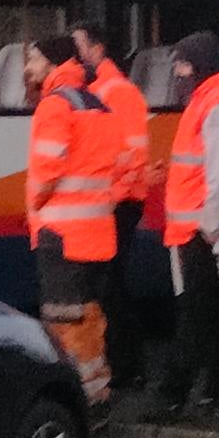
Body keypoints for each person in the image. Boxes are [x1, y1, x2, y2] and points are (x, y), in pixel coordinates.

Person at [147, 31, 219, 422]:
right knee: (215, 315)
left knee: (195, 316)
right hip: (208, 229)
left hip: (206, 232)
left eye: (182, 63)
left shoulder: (215, 105)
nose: (178, 71)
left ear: (198, 64)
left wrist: (210, 226)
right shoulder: (215, 100)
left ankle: (171, 397)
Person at [25, 35, 121, 406]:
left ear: (52, 62)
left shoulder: (54, 107)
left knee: (63, 324)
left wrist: (34, 204)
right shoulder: (97, 104)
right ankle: (97, 392)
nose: (29, 67)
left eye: (34, 59)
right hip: (95, 235)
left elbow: (47, 171)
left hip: (61, 235)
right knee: (88, 320)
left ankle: (75, 402)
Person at [72, 22, 154, 393]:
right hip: (109, 201)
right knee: (108, 287)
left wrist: (107, 194)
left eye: (80, 47)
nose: (77, 55)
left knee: (111, 288)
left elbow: (130, 155)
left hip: (119, 202)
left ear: (98, 49)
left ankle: (129, 367)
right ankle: (122, 364)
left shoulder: (116, 93)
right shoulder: (98, 90)